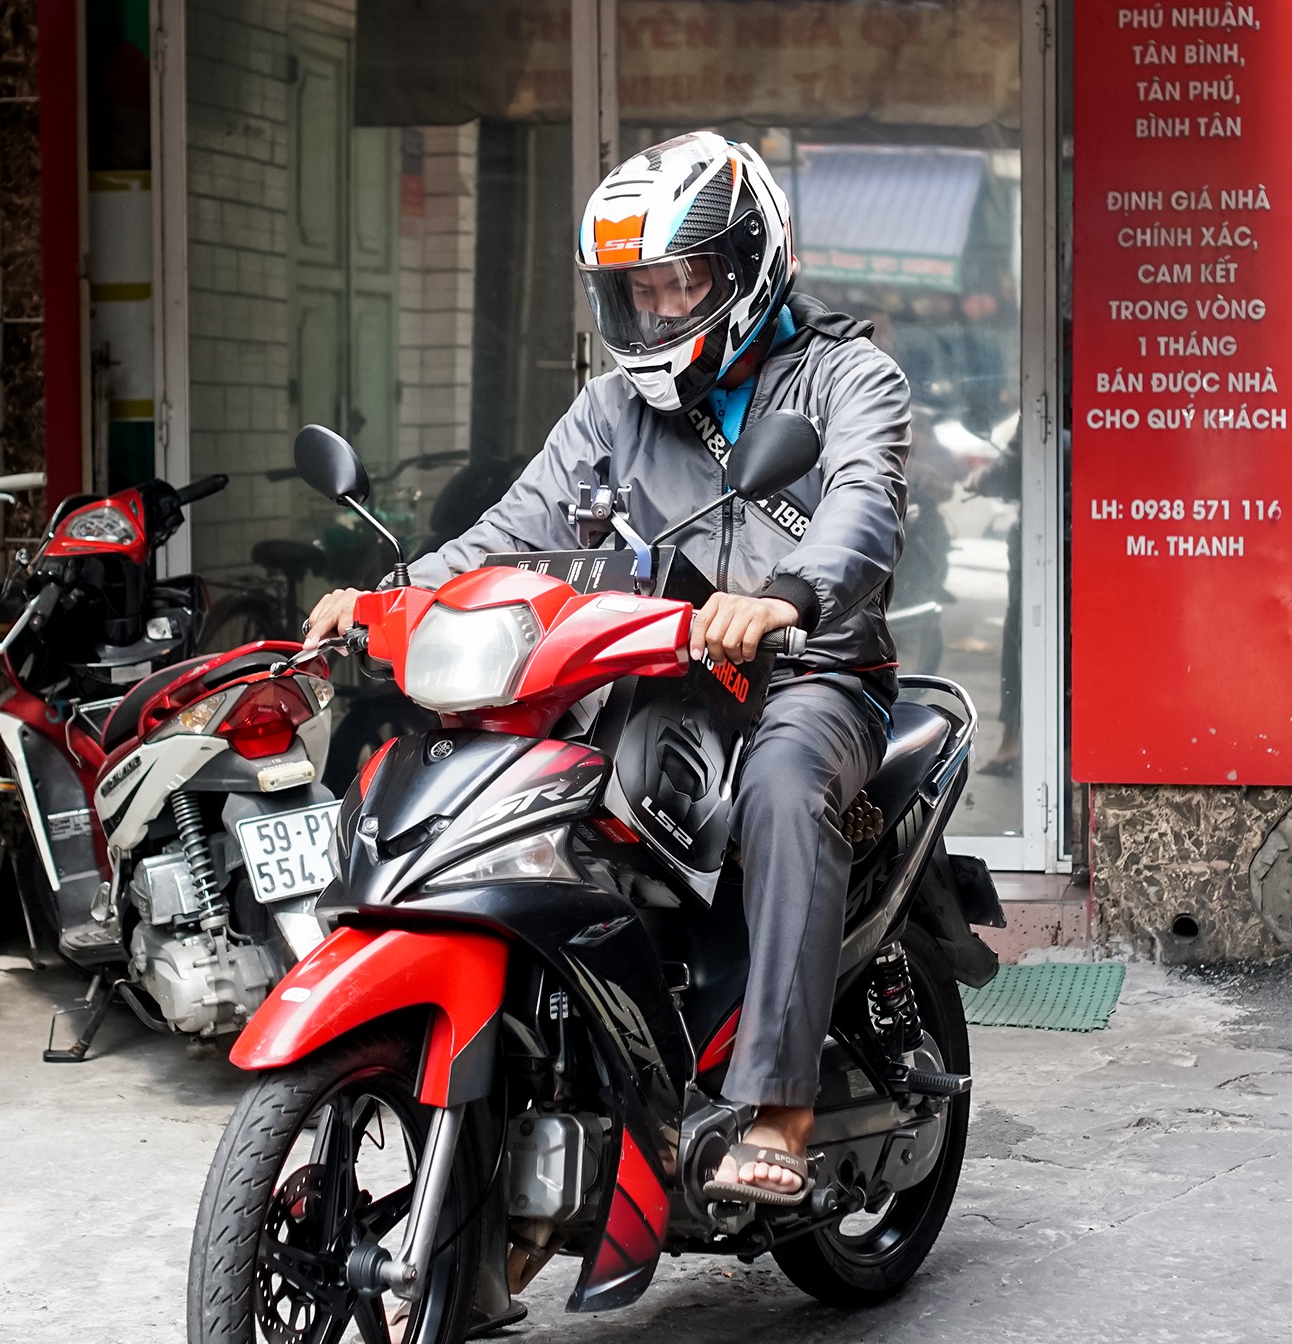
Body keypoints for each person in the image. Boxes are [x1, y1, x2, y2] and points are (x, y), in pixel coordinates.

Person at [306, 132, 909, 1204]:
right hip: (651, 675)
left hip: (808, 671)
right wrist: (387, 598)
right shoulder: (610, 407)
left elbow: (863, 504)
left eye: (684, 284)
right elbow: (510, 531)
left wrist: (786, 597)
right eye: (639, 290)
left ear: (747, 265)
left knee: (782, 789)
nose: (660, 311)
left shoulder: (847, 377)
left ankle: (777, 1107)